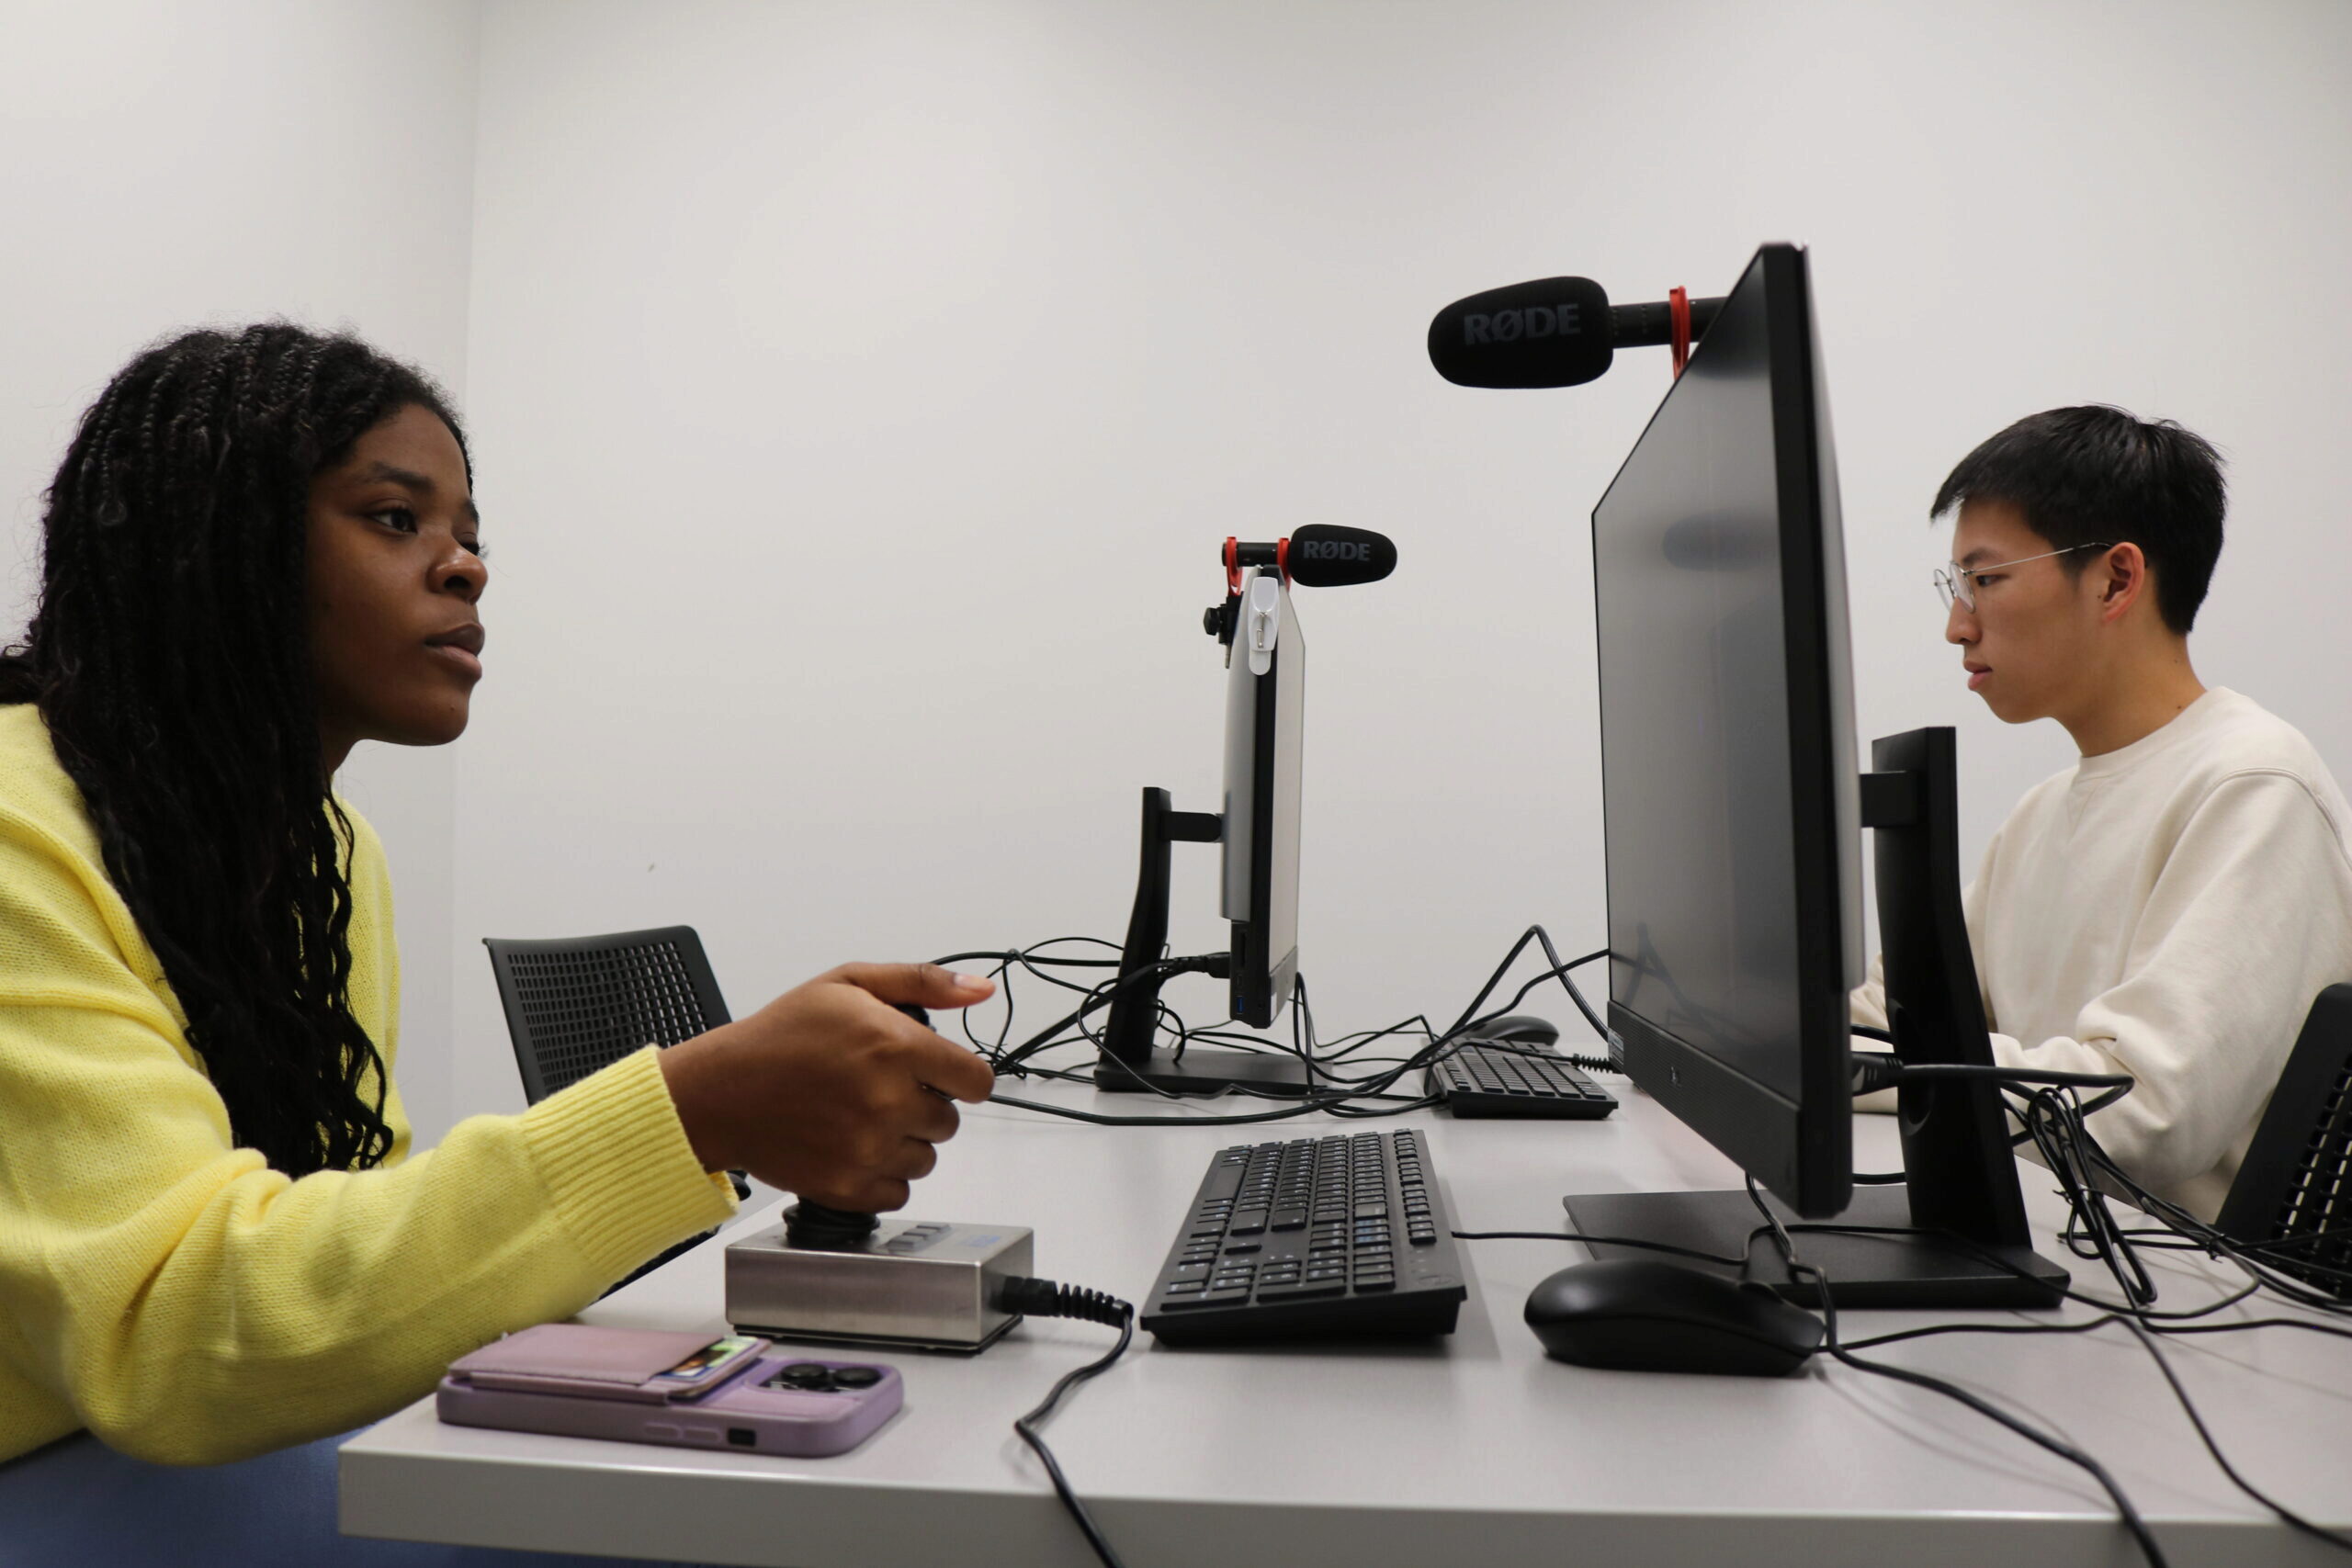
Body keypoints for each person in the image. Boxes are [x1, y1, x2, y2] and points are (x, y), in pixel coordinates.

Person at [0, 324, 996, 1556]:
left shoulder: (328, 850)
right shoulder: (14, 831)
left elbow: (337, 1224)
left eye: (470, 535)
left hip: (192, 1443)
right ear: (217, 539)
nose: (464, 567)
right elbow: (167, 1329)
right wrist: (691, 1111)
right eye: (395, 518)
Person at [1851, 405, 2352, 1222]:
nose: (1956, 624)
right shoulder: (2041, 815)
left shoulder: (2255, 786)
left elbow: (2139, 1108)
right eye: (1957, 584)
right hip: (2062, 1246)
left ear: (2117, 579)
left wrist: (1878, 1068)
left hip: (2177, 1302)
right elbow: (1895, 1020)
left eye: (1985, 579)